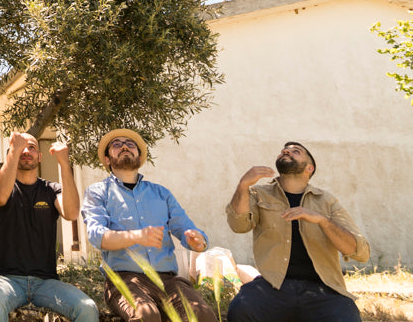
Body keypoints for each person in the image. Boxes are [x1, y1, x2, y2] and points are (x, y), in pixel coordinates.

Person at [81, 128, 216, 322]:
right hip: (124, 280)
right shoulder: (98, 193)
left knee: (202, 314)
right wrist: (137, 236)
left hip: (168, 281)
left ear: (140, 156)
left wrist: (198, 242)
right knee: (146, 315)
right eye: (116, 144)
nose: (125, 146)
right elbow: (97, 236)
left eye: (130, 144)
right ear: (107, 160)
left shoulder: (162, 193)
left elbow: (186, 228)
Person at [225, 141, 370, 322]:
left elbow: (360, 252)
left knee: (347, 318)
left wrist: (322, 221)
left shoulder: (326, 201)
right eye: (284, 150)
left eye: (296, 151)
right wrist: (243, 185)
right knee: (241, 310)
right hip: (272, 286)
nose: (286, 151)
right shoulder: (258, 194)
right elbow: (239, 226)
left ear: (310, 168)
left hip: (323, 289)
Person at [0, 132, 99, 322]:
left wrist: (64, 164)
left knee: (87, 308)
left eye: (32, 147)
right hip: (6, 279)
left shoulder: (51, 190)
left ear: (40, 157)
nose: (26, 151)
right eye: (21, 147)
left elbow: (71, 213)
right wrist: (14, 149)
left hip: (46, 283)